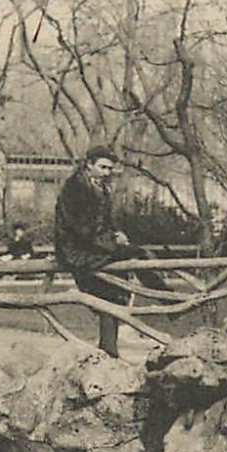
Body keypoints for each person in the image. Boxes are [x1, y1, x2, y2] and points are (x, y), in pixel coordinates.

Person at [53, 145, 165, 357]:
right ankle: (166, 298)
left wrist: (117, 233)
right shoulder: (74, 189)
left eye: (109, 169)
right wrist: (113, 243)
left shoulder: (100, 186)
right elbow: (80, 228)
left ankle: (109, 350)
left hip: (94, 244)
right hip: (76, 249)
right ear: (89, 165)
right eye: (103, 167)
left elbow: (105, 222)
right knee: (136, 255)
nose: (106, 173)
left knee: (110, 296)